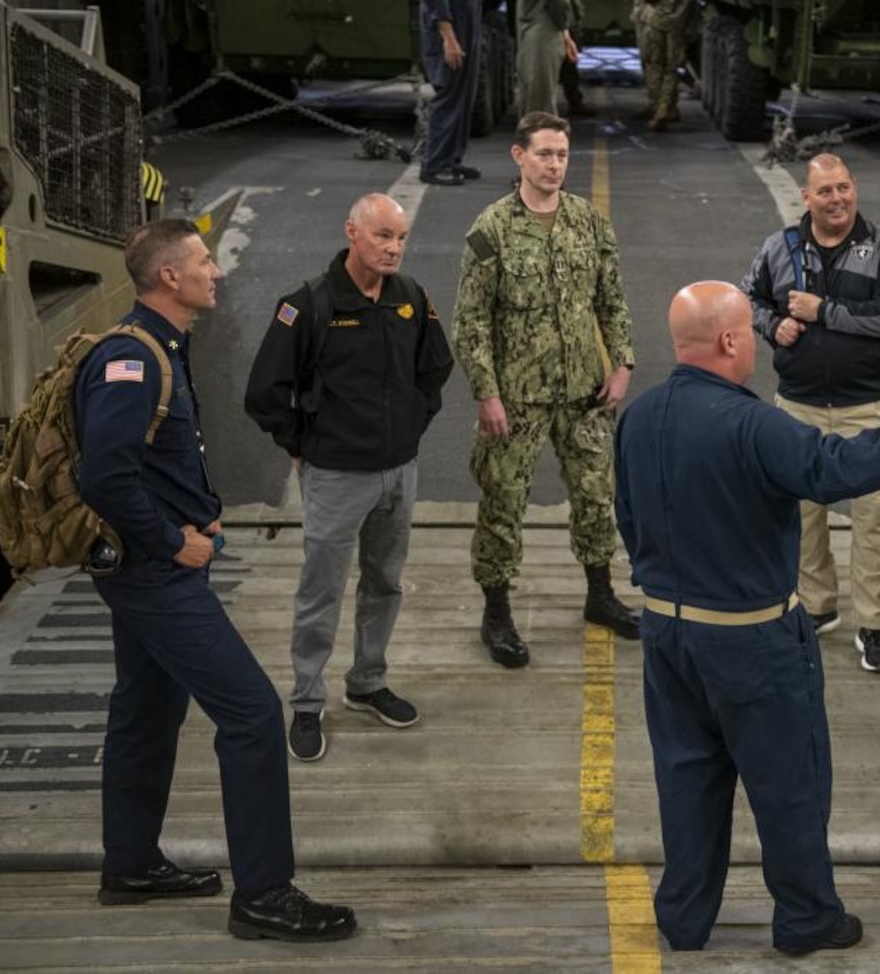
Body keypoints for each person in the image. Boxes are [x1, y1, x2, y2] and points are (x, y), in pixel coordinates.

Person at [615, 281, 880, 954]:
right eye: (747, 334)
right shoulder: (754, 425)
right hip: (752, 641)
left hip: (667, 636)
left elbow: (630, 520)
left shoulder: (637, 420)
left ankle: (684, 918)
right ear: (730, 340)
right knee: (789, 782)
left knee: (686, 779)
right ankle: (807, 918)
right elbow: (836, 468)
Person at [78, 219, 355, 941]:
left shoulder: (163, 347)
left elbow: (148, 464)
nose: (216, 272)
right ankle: (264, 895)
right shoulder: (131, 360)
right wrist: (175, 541)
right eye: (203, 262)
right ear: (169, 278)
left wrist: (193, 519)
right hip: (156, 576)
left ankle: (130, 863)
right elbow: (104, 474)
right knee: (254, 715)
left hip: (156, 567)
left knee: (146, 709)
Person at [245, 194, 454, 761]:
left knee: (385, 583)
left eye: (401, 237)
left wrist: (410, 426)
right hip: (336, 476)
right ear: (352, 233)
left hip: (398, 473)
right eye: (383, 236)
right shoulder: (308, 304)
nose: (394, 248)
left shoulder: (410, 298)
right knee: (322, 592)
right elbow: (265, 392)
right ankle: (307, 703)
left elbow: (436, 367)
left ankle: (367, 681)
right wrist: (303, 444)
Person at [453, 111, 638, 668]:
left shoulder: (588, 221)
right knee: (504, 502)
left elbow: (612, 298)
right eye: (544, 154)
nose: (554, 164)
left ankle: (600, 594)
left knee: (595, 495)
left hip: (585, 391)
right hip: (517, 398)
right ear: (519, 157)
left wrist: (622, 362)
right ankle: (497, 611)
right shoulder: (492, 230)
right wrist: (486, 393)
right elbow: (471, 321)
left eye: (561, 155)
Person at [741, 153, 880, 674]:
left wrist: (823, 313)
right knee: (801, 515)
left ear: (853, 189)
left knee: (874, 520)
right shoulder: (779, 248)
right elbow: (746, 298)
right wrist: (773, 326)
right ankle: (816, 606)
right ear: (806, 197)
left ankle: (875, 625)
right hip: (799, 405)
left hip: (869, 406)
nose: (837, 199)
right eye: (825, 191)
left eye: (843, 188)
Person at [419, 0, 484, 186]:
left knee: (463, 98)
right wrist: (448, 37)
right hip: (450, 28)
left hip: (466, 24)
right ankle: (435, 165)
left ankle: (451, 160)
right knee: (449, 97)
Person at [632, 0, 692, 131]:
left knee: (653, 64)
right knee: (672, 66)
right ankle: (668, 107)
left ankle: (660, 108)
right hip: (678, 19)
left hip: (655, 18)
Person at [517, 0, 578, 116]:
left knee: (535, 104)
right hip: (544, 27)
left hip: (538, 24)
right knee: (540, 109)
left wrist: (564, 31)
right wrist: (564, 24)